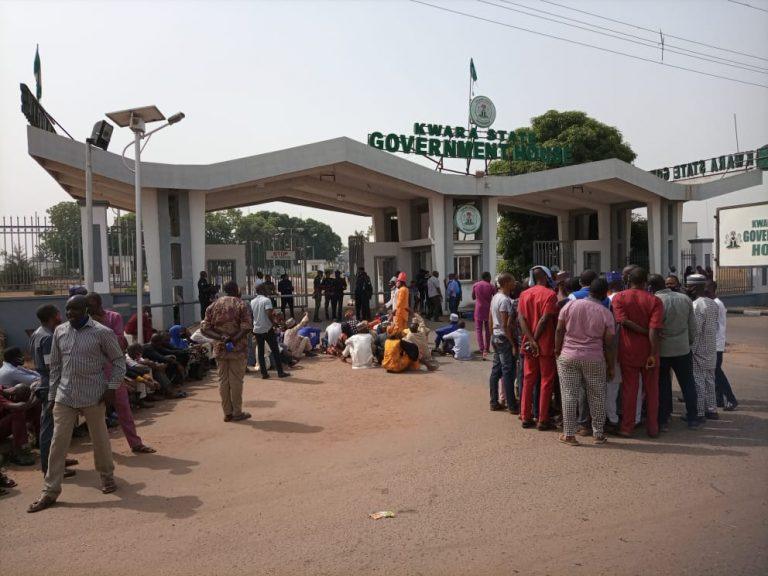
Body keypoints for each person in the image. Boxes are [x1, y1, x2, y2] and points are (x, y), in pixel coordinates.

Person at [27, 295, 126, 513]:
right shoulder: (60, 331)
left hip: (94, 394)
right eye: (68, 310)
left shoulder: (102, 332)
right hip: (65, 395)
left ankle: (107, 476)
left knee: (99, 438)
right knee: (58, 442)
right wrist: (52, 396)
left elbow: (119, 361)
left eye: (75, 310)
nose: (71, 314)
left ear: (86, 311)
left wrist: (111, 387)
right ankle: (50, 491)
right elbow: (55, 367)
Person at [85, 292, 154, 454]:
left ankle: (135, 443)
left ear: (98, 304)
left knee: (124, 409)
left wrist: (100, 327)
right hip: (92, 373)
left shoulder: (112, 317)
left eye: (90, 305)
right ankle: (102, 449)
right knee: (95, 414)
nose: (88, 309)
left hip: (112, 370)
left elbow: (120, 342)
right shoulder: (84, 321)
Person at [555, 278, 615, 445]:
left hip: (568, 356)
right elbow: (609, 343)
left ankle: (569, 435)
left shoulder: (570, 305)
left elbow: (559, 329)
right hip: (594, 358)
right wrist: (610, 366)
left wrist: (557, 350)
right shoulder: (606, 313)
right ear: (604, 294)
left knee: (569, 395)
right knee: (597, 395)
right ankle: (598, 434)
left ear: (589, 291)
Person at [611, 267, 663, 438]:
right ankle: (653, 428)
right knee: (652, 390)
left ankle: (627, 427)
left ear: (628, 280)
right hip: (650, 349)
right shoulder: (654, 301)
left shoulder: (619, 297)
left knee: (629, 390)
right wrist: (652, 351)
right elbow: (654, 330)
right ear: (645, 282)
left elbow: (622, 321)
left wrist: (641, 331)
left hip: (629, 350)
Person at [29, 304, 78, 476]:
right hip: (51, 385)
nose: (62, 316)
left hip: (47, 383)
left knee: (58, 427)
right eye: (59, 313)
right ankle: (50, 468)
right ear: (53, 316)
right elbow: (52, 367)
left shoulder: (38, 333)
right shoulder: (48, 337)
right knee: (50, 429)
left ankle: (58, 460)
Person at [649, 274, 700, 430]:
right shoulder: (685, 299)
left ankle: (664, 419)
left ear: (651, 287)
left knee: (663, 385)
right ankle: (693, 417)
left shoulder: (655, 301)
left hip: (663, 350)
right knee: (687, 384)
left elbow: (653, 328)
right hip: (682, 348)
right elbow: (693, 326)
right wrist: (688, 342)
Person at [201, 280, 254, 422]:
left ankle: (227, 413)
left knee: (223, 381)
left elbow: (204, 329)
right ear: (236, 289)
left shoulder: (213, 306)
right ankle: (237, 412)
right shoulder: (241, 304)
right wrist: (233, 339)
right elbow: (247, 327)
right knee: (236, 381)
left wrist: (221, 338)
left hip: (220, 348)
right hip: (238, 350)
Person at [517, 266, 558, 430]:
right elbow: (545, 319)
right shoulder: (550, 294)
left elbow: (521, 319)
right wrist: (536, 340)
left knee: (528, 379)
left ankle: (526, 417)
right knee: (546, 381)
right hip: (545, 343)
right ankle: (542, 419)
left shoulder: (524, 294)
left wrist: (531, 340)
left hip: (529, 343)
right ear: (546, 277)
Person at [687, 274, 719, 420]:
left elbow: (696, 330)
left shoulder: (696, 305)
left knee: (698, 381)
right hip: (712, 347)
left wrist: (690, 348)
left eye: (688, 286)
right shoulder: (713, 303)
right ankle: (712, 410)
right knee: (710, 380)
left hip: (699, 349)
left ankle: (699, 412)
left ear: (693, 288)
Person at [488, 273, 518, 413]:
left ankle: (494, 402)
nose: (515, 283)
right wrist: (512, 344)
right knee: (507, 372)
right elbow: (506, 325)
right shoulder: (505, 300)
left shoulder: (495, 297)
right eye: (512, 281)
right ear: (506, 283)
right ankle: (512, 405)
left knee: (496, 371)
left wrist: (491, 335)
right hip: (504, 338)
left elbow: (491, 320)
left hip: (496, 336)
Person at [707, 281, 738, 411]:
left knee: (717, 372)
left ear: (712, 289)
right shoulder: (715, 303)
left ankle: (731, 399)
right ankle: (719, 399)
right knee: (716, 372)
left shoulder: (716, 304)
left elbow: (713, 325)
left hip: (715, 344)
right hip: (716, 343)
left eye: (706, 288)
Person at [250, 284, 291, 380]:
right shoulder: (266, 300)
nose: (267, 290)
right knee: (275, 350)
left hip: (257, 329)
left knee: (260, 351)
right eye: (266, 289)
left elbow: (252, 316)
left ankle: (264, 374)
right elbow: (269, 314)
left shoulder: (252, 301)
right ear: (263, 290)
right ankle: (280, 372)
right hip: (267, 329)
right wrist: (275, 324)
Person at [472, 272, 495, 360]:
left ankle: (481, 348)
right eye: (490, 277)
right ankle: (487, 348)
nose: (490, 278)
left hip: (478, 309)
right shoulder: (491, 286)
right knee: (488, 329)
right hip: (488, 309)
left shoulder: (476, 285)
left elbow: (473, 297)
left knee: (478, 330)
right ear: (487, 277)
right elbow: (495, 296)